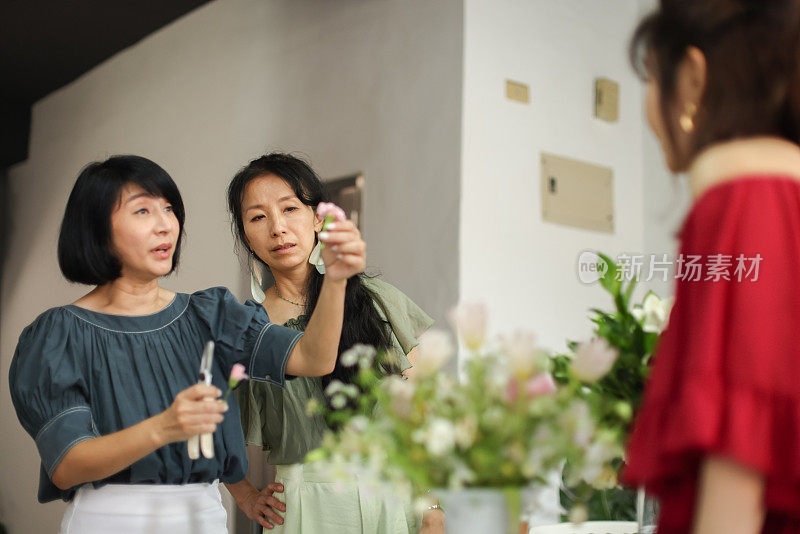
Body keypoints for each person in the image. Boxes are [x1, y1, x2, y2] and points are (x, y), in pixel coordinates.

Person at [9, 154, 364, 534]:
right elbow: (66, 466)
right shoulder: (58, 335)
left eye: (169, 209)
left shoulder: (210, 314)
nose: (165, 225)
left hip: (204, 516)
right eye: (142, 211)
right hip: (110, 519)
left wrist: (338, 280)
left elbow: (314, 357)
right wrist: (164, 427)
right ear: (96, 227)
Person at [623, 1, 800, 533]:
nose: (649, 110)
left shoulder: (742, 205)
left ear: (694, 80)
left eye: (653, 79)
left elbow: (739, 460)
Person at [222, 153, 444, 533]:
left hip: (390, 497)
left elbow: (421, 412)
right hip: (303, 507)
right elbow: (210, 425)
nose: (278, 228)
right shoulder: (247, 326)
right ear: (246, 235)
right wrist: (244, 494)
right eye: (258, 217)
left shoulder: (376, 300)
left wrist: (432, 506)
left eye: (290, 208)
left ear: (316, 218)